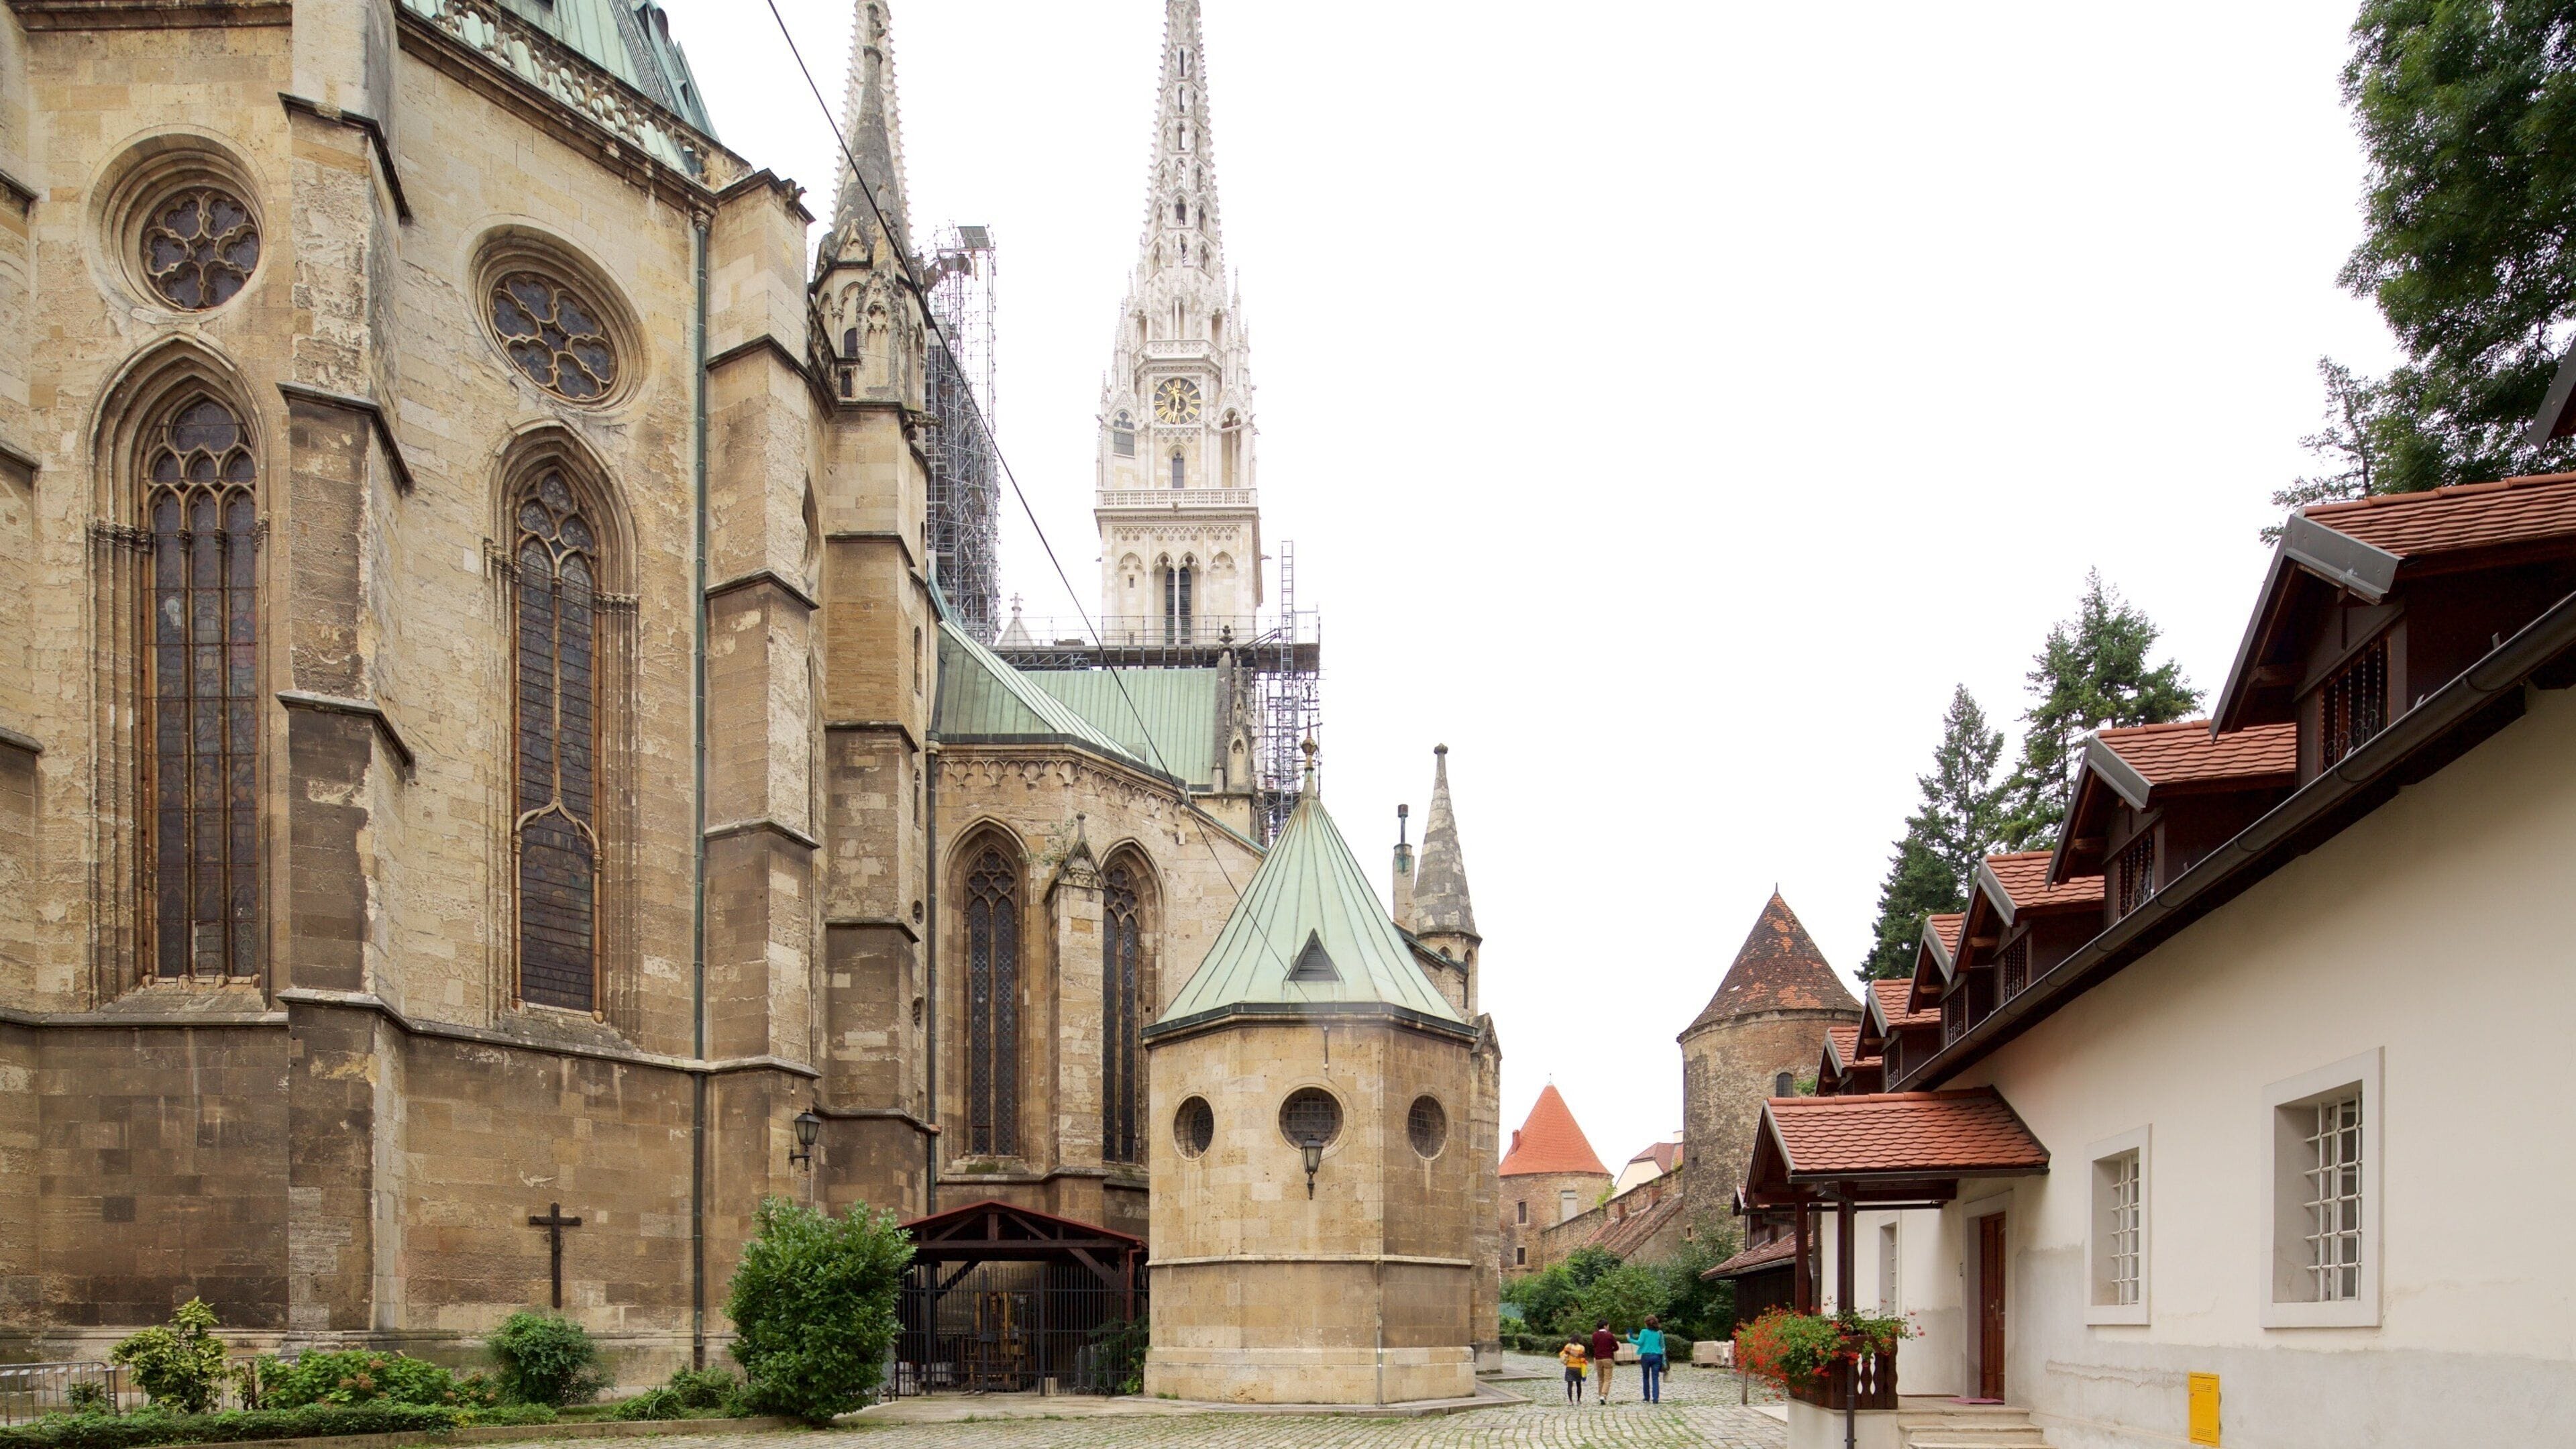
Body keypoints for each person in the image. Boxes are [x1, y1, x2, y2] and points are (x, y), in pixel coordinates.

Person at [1633, 1314, 1668, 1404]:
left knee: (1646, 1377)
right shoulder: (1659, 1333)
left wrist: (1630, 1339)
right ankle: (1655, 1398)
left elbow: (1640, 1343)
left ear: (1646, 1324)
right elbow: (1663, 1346)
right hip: (1657, 1357)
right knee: (1655, 1378)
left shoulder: (1644, 1332)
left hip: (1646, 1357)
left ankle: (1646, 1397)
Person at [1591, 1320, 1619, 1403]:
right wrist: (1610, 1350)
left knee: (1600, 1378)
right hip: (1607, 1358)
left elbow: (1595, 1345)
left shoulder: (1594, 1335)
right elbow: (1616, 1347)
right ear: (1605, 1326)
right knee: (1607, 1378)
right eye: (1608, 1326)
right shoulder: (1609, 1335)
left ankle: (1600, 1396)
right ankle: (1604, 1395)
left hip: (1598, 1358)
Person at [1558, 1336, 1588, 1403]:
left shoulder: (1568, 1346)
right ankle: (1578, 1400)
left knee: (1570, 1385)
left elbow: (1561, 1354)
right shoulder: (1581, 1348)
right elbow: (1582, 1359)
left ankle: (1570, 1401)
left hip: (1570, 1367)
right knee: (1578, 1384)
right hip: (1578, 1368)